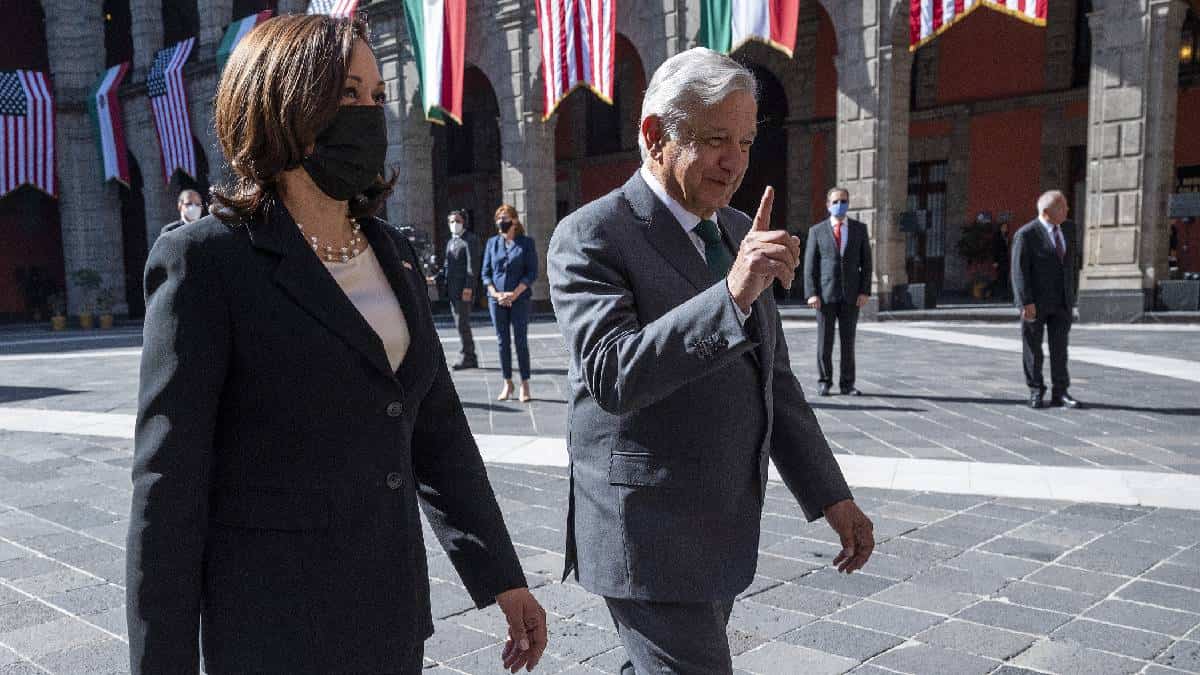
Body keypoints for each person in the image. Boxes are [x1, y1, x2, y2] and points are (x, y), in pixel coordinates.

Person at [125, 15, 547, 675]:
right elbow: (167, 491)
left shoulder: (393, 251)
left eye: (377, 98)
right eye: (350, 95)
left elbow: (433, 428)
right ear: (285, 102)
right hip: (276, 633)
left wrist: (502, 573)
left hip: (392, 618)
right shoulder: (205, 261)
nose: (370, 116)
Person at [547, 47, 874, 675]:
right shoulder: (592, 236)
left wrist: (831, 494)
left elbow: (773, 377)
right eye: (717, 139)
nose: (736, 162)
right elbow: (614, 373)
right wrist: (731, 295)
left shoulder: (732, 230)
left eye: (747, 141)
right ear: (655, 137)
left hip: (720, 524)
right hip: (646, 530)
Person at [1011, 190, 1081, 410]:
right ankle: (1036, 390)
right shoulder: (1026, 234)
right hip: (1035, 303)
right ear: (1047, 212)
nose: (1067, 210)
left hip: (1062, 302)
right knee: (1033, 349)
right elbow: (1019, 271)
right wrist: (1025, 302)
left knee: (1060, 349)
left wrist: (1072, 296)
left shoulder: (1069, 229)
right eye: (1063, 207)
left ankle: (1061, 392)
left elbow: (1071, 265)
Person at [803, 187, 872, 397]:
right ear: (828, 204)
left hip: (851, 295)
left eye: (843, 201)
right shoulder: (817, 231)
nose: (839, 205)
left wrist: (864, 291)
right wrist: (811, 293)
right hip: (825, 295)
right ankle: (824, 381)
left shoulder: (859, 229)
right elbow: (810, 265)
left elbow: (867, 263)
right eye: (835, 201)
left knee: (848, 342)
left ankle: (847, 383)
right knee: (824, 342)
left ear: (848, 203)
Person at [481, 204, 538, 403]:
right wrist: (496, 294)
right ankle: (507, 382)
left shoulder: (526, 243)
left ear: (514, 220)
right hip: (496, 301)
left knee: (520, 341)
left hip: (519, 299)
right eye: (499, 218)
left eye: (505, 218)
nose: (501, 221)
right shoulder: (492, 243)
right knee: (502, 342)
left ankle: (524, 383)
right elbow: (485, 273)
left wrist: (513, 294)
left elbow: (532, 272)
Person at [437, 209, 479, 369]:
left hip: (463, 291)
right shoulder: (451, 241)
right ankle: (469, 355)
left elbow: (472, 267)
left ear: (464, 222)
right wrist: (435, 278)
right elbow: (447, 266)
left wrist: (468, 288)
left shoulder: (469, 240)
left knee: (462, 324)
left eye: (457, 221)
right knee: (459, 323)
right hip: (452, 290)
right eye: (451, 221)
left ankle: (468, 356)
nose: (454, 224)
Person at [991, 221, 1011, 300]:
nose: (1005, 229)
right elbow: (994, 249)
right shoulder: (997, 236)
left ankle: (1005, 294)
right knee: (1000, 277)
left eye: (1006, 227)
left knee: (1005, 277)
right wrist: (995, 261)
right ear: (1000, 228)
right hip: (999, 260)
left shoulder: (1006, 236)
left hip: (1005, 259)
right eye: (1003, 227)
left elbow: (1006, 248)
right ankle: (1001, 294)